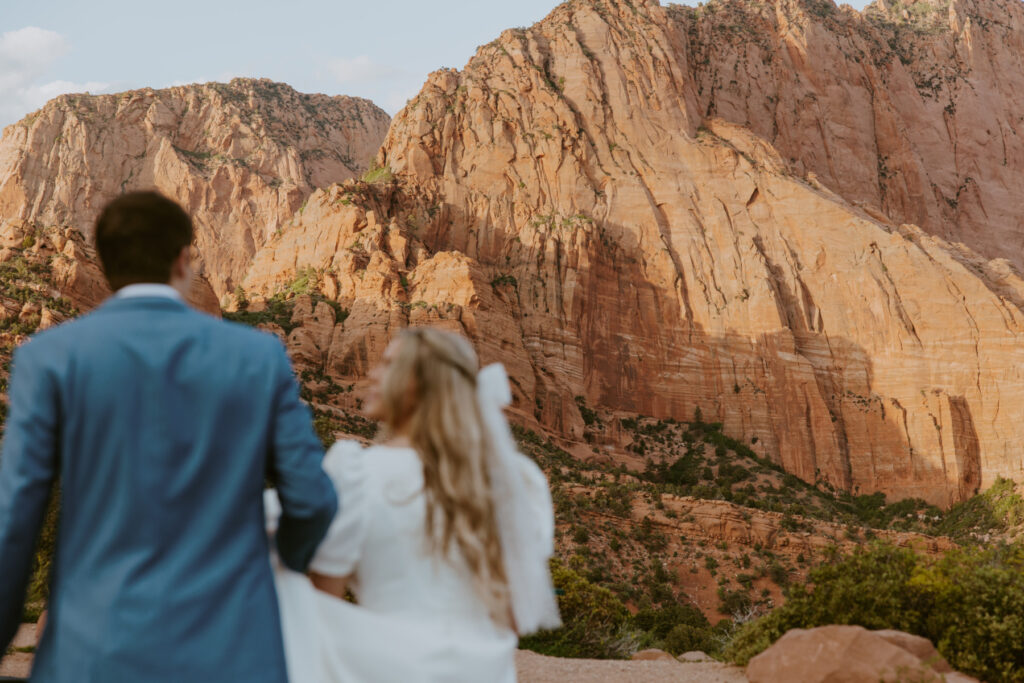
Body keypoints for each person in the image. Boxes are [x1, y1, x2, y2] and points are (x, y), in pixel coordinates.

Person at [0, 191, 338, 682]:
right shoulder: (258, 356)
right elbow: (312, 501)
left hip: (92, 654)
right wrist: (267, 578)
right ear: (185, 260)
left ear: (106, 265)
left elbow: (13, 521)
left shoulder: (49, 358)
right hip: (234, 651)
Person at [266, 327, 561, 682]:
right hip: (483, 669)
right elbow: (513, 616)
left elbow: (321, 602)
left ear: (417, 384)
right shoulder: (516, 479)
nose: (373, 374)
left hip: (391, 669)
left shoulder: (358, 472)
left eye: (388, 364)